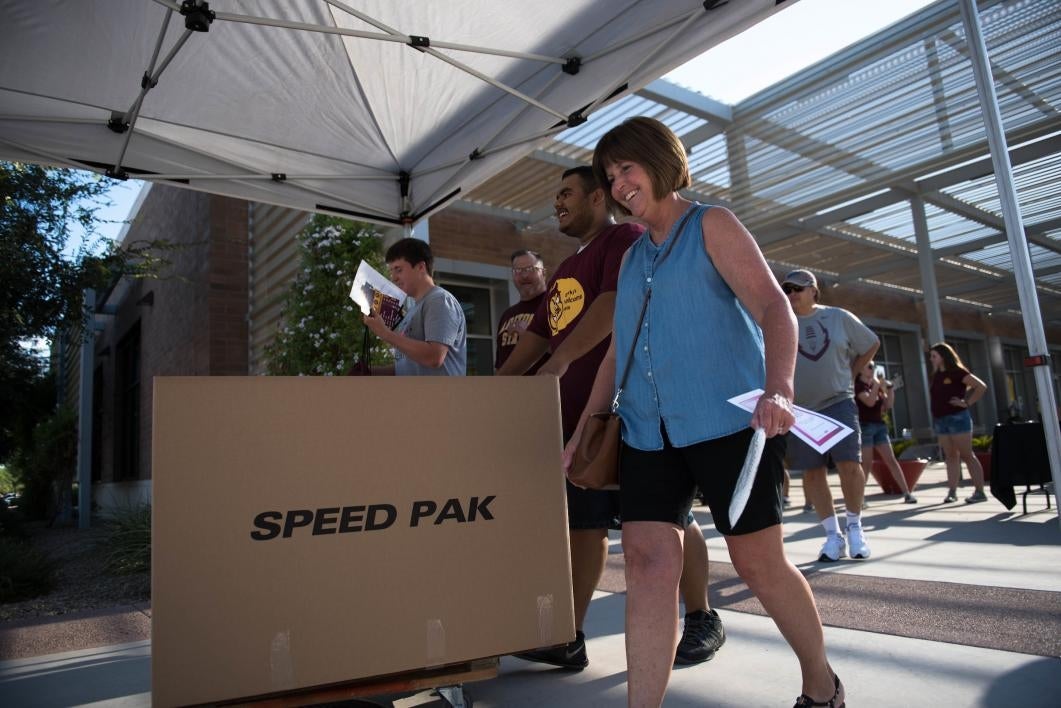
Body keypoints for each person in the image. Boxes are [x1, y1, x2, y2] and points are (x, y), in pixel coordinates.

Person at [568, 116, 842, 707]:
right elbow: (617, 350)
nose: (618, 185)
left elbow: (775, 308)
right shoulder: (634, 257)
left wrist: (780, 389)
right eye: (610, 176)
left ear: (660, 160)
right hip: (647, 432)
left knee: (757, 563)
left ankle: (821, 683)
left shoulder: (711, 224)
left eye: (627, 169)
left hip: (733, 424)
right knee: (646, 564)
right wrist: (584, 432)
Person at [500, 167, 724, 669]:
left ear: (598, 197)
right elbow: (536, 337)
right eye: (555, 194)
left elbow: (614, 303)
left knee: (669, 519)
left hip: (632, 412)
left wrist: (561, 362)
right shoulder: (563, 269)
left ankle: (703, 615)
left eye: (567, 193)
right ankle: (570, 637)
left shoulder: (624, 238)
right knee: (585, 525)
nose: (557, 202)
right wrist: (495, 386)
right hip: (580, 423)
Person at [784, 269, 879, 562]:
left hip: (838, 402)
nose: (792, 294)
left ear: (814, 290)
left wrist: (851, 373)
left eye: (798, 288)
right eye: (788, 289)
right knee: (813, 473)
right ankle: (832, 536)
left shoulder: (839, 317)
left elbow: (871, 343)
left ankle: (854, 527)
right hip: (801, 409)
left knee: (850, 465)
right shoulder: (781, 323)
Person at [361, 238, 466, 376]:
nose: (393, 278)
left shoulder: (439, 300)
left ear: (421, 267)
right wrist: (369, 373)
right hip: (418, 396)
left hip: (440, 397)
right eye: (391, 271)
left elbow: (434, 357)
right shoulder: (414, 309)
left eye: (398, 270)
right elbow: (409, 367)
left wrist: (385, 334)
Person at [928, 342, 988, 503]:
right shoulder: (936, 375)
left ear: (943, 356)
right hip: (941, 420)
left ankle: (980, 492)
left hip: (957, 418)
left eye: (934, 356)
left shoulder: (957, 372)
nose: (931, 359)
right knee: (951, 456)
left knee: (967, 455)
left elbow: (980, 386)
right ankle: (952, 492)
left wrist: (966, 402)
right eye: (931, 356)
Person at [856, 361, 917, 504]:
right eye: (869, 367)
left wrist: (890, 389)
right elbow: (869, 402)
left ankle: (907, 493)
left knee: (891, 460)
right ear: (861, 370)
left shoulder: (875, 386)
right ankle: (859, 497)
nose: (873, 370)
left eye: (874, 367)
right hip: (865, 427)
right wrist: (877, 385)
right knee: (866, 463)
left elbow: (887, 405)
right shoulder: (858, 386)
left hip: (879, 426)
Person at [495, 250, 548, 373]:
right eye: (518, 271)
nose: (524, 276)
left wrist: (531, 337)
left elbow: (565, 349)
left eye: (530, 269)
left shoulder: (554, 304)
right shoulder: (507, 315)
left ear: (544, 273)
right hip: (511, 390)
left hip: (546, 388)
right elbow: (499, 364)